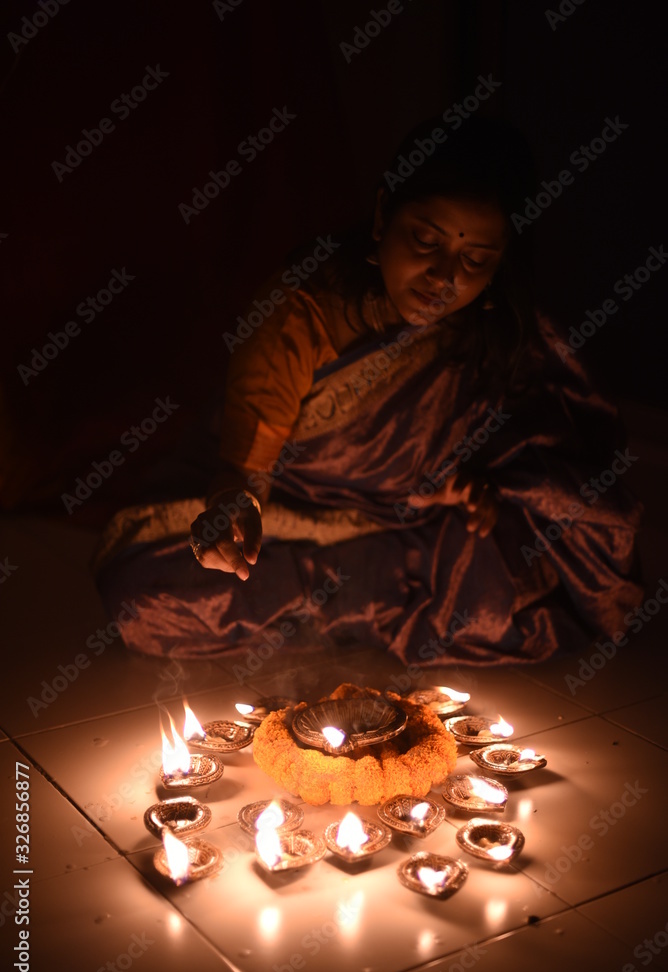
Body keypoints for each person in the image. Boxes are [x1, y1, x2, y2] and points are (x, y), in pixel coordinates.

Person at [96, 116, 643, 666]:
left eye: (474, 260)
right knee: (144, 596)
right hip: (284, 513)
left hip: (404, 520)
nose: (443, 277)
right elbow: (245, 473)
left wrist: (464, 485)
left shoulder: (491, 325)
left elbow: (511, 439)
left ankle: (329, 608)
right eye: (425, 241)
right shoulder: (302, 308)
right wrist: (231, 514)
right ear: (383, 216)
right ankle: (360, 605)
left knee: (531, 579)